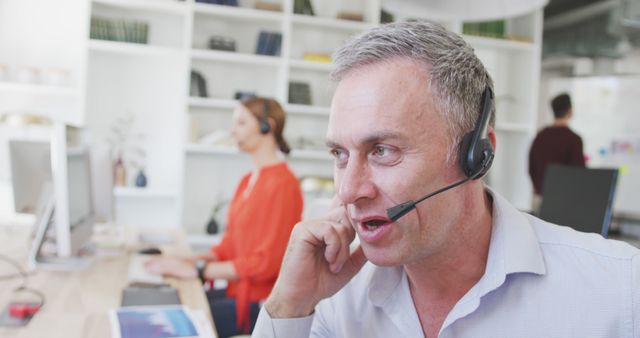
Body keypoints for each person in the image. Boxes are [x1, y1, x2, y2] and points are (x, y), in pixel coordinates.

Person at [252, 21, 640, 337]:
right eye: (340, 154)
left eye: (382, 150)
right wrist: (289, 307)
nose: (349, 190)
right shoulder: (335, 297)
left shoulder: (619, 291)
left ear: (477, 155)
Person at [145, 97, 303, 338]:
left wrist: (200, 271)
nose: (232, 130)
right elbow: (230, 244)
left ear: (266, 127)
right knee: (169, 304)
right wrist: (189, 260)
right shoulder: (247, 181)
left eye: (240, 122)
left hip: (258, 305)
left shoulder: (283, 185)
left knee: (171, 324)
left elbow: (267, 263)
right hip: (235, 292)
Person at [528, 93, 585, 211]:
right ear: (570, 112)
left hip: (541, 198)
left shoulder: (541, 136)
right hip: (565, 202)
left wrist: (539, 189)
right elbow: (579, 175)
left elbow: (531, 167)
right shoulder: (574, 140)